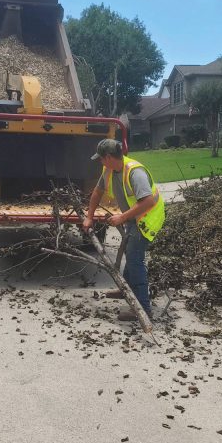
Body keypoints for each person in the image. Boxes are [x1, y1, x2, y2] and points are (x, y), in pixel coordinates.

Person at [82, 138, 165, 322]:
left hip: (147, 219)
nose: (100, 162)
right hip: (134, 217)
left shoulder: (135, 172)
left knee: (135, 260)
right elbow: (97, 192)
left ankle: (143, 308)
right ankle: (125, 289)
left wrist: (122, 217)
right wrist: (89, 217)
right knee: (130, 251)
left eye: (102, 159)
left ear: (110, 157)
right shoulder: (109, 170)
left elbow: (148, 201)